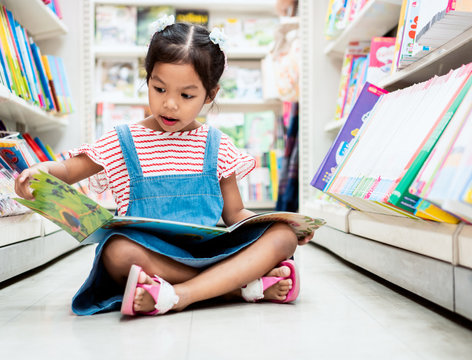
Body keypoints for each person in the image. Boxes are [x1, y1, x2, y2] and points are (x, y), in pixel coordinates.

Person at [14, 19, 314, 316]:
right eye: (159, 89)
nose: (170, 104)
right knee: (117, 252)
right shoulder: (124, 139)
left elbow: (235, 214)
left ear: (210, 94)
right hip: (152, 254)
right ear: (148, 80)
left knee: (282, 238)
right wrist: (43, 172)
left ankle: (179, 294)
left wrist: (284, 223)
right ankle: (238, 288)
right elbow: (68, 170)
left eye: (186, 95)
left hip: (208, 255)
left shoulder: (217, 144)